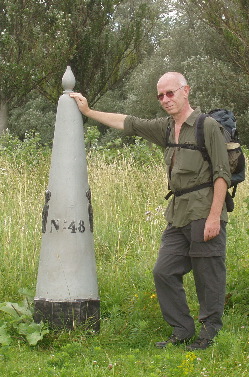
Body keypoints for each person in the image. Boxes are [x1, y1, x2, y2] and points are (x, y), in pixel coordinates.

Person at [70, 72, 231, 350]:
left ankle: (209, 334)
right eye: (160, 96)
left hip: (204, 211)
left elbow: (222, 174)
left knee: (209, 275)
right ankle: (182, 330)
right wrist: (88, 111)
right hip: (178, 212)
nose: (165, 100)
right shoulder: (165, 128)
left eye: (170, 93)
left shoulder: (207, 126)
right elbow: (127, 123)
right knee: (164, 271)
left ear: (185, 91)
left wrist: (215, 217)